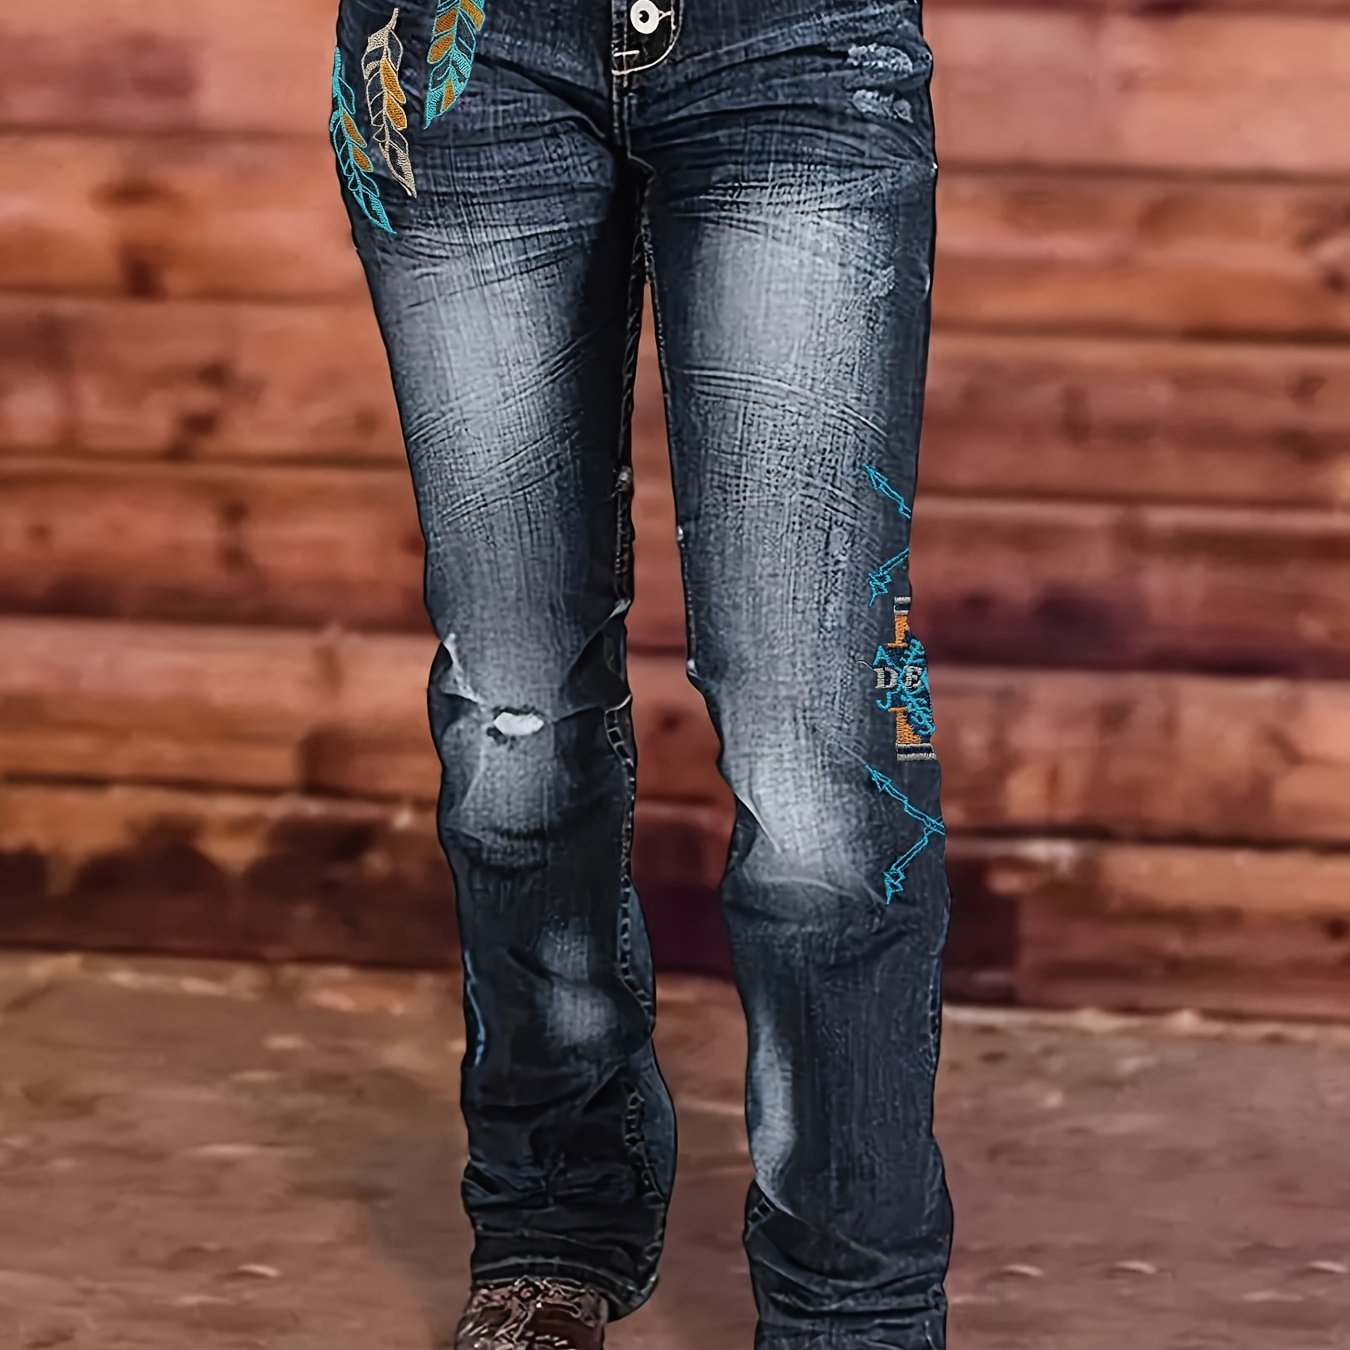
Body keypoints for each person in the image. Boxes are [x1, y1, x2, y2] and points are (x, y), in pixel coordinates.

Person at [329, 0, 953, 1345]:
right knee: (513, 716)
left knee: (816, 745)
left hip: (795, 42)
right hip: (461, 53)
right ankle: (553, 1218)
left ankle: (852, 1305)